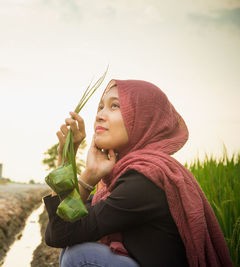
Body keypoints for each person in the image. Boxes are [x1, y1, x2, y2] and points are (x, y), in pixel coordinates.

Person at [44, 79, 233, 267]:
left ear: (144, 119)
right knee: (72, 251)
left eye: (115, 106)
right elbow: (63, 227)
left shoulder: (144, 181)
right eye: (100, 107)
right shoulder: (125, 176)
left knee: (80, 255)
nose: (100, 115)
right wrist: (67, 160)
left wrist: (87, 177)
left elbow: (61, 233)